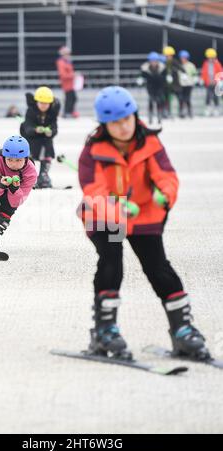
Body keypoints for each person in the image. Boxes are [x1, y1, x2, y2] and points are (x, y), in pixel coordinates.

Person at [77, 85, 210, 361]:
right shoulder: (92, 152)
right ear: (105, 125)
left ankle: (182, 330)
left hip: (144, 214)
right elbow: (94, 192)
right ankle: (105, 330)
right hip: (106, 220)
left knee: (158, 267)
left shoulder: (150, 143)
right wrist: (117, 208)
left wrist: (165, 196)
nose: (123, 126)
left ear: (135, 116)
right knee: (112, 262)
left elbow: (167, 176)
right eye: (115, 122)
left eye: (127, 118)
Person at [20, 86, 60, 188]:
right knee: (30, 155)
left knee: (48, 149)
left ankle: (43, 175)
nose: (43, 105)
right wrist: (35, 129)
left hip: (45, 139)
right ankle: (28, 176)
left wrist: (51, 132)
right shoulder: (31, 110)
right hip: (31, 138)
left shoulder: (52, 113)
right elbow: (27, 126)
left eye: (46, 103)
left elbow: (55, 127)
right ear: (37, 102)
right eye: (41, 103)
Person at [140, 52, 166, 124]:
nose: (153, 62)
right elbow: (142, 76)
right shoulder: (145, 68)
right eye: (152, 61)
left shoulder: (162, 68)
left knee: (159, 101)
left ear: (157, 61)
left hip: (159, 87)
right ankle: (150, 116)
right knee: (151, 100)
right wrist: (140, 79)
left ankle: (159, 116)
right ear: (149, 61)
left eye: (155, 61)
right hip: (150, 87)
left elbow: (164, 77)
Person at [56, 46, 79, 118]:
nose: (68, 55)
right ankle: (67, 112)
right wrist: (73, 75)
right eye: (67, 54)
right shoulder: (61, 62)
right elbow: (63, 74)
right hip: (66, 84)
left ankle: (69, 112)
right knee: (70, 98)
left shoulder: (67, 62)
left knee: (72, 98)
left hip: (71, 84)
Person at [162, 46, 184, 118]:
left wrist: (183, 74)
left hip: (176, 84)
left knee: (180, 98)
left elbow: (181, 68)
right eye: (167, 56)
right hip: (167, 85)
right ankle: (167, 112)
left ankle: (181, 111)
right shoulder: (163, 63)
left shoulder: (175, 61)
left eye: (170, 55)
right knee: (167, 99)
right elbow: (161, 72)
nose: (169, 57)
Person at [201, 48, 222, 117]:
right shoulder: (206, 64)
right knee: (208, 96)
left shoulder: (217, 64)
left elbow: (220, 73)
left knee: (216, 97)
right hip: (208, 83)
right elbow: (203, 73)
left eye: (211, 57)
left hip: (216, 84)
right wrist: (203, 80)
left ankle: (216, 109)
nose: (210, 59)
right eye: (209, 57)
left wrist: (216, 81)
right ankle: (208, 109)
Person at [177, 50, 198, 118]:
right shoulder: (179, 65)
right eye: (182, 57)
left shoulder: (191, 65)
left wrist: (194, 79)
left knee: (187, 99)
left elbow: (194, 74)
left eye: (184, 57)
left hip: (189, 84)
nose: (183, 59)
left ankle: (189, 112)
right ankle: (181, 112)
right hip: (181, 84)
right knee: (181, 99)